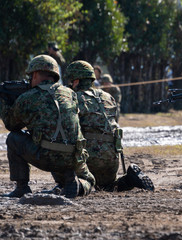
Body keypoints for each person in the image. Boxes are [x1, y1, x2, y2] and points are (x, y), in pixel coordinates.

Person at [0, 55, 95, 198]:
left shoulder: (28, 97)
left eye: (31, 76)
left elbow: (11, 125)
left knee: (13, 138)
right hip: (72, 158)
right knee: (89, 181)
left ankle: (22, 188)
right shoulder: (70, 94)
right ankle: (75, 183)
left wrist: (3, 103)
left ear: (36, 74)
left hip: (45, 156)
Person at [64, 60, 154, 192]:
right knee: (107, 187)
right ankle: (129, 179)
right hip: (112, 158)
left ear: (76, 81)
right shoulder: (108, 97)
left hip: (89, 159)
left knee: (80, 180)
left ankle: (72, 185)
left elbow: (68, 129)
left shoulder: (74, 98)